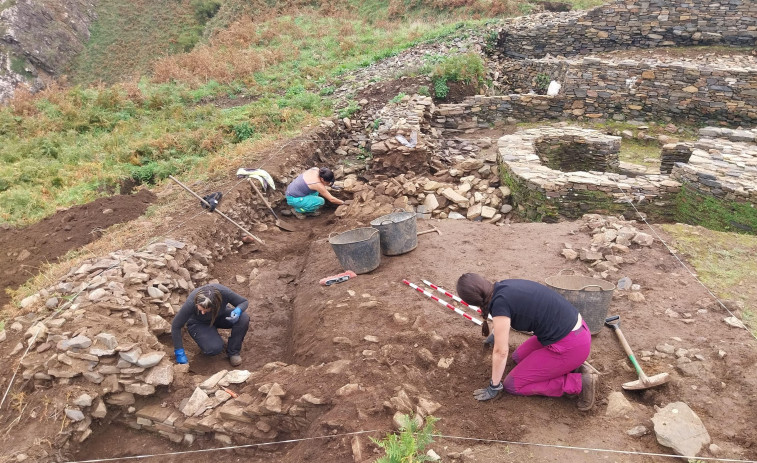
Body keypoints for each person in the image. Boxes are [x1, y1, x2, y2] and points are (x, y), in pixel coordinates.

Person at [456, 273, 597, 410]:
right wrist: (495, 334)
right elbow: (508, 313)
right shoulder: (502, 287)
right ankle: (571, 366)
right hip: (571, 331)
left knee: (513, 385)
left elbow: (501, 352)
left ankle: (578, 383)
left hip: (571, 344)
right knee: (517, 357)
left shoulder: (499, 304)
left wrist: (494, 386)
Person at [171, 284, 250, 367]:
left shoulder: (223, 292)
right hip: (199, 323)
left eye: (205, 310)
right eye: (200, 309)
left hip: (219, 316)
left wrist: (238, 310)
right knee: (214, 348)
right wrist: (179, 352)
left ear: (215, 305)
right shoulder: (191, 302)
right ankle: (209, 337)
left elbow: (243, 302)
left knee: (243, 318)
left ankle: (233, 352)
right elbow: (176, 325)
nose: (202, 312)